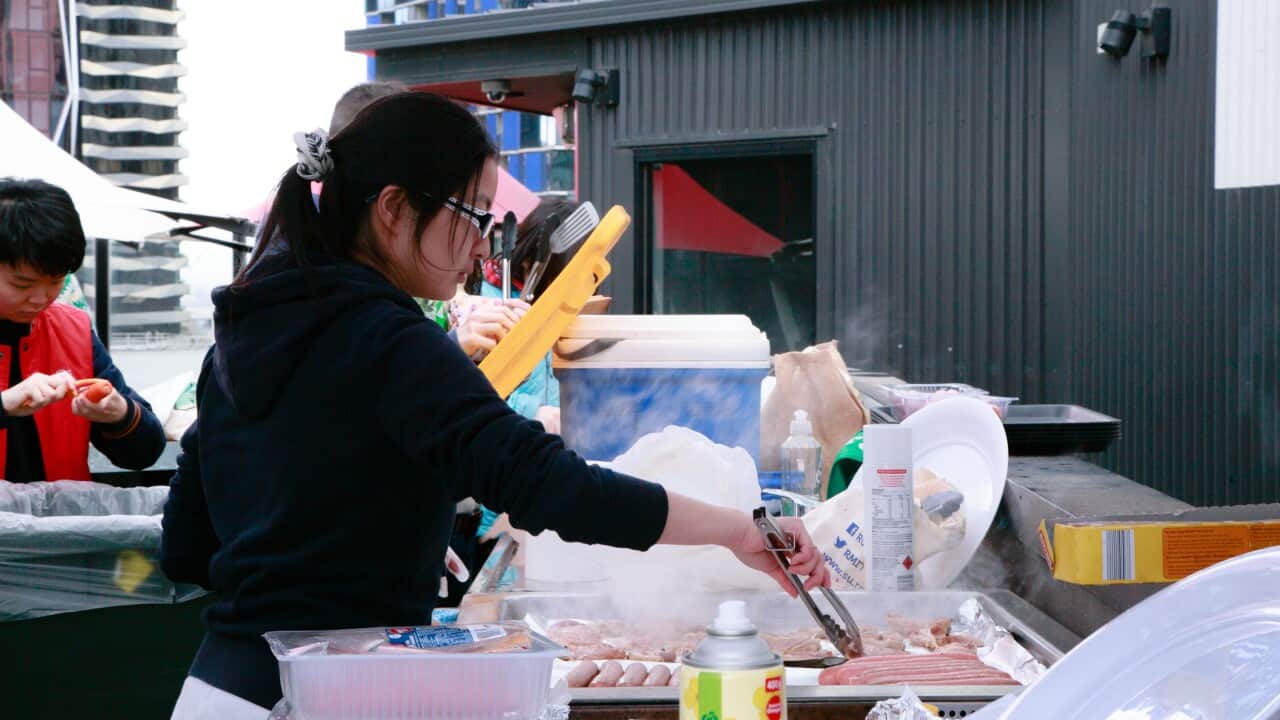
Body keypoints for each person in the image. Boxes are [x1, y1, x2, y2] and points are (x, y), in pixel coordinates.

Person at [159, 92, 828, 718]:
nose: (484, 244)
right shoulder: (390, 340)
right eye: (473, 213)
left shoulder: (242, 336)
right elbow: (548, 485)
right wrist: (741, 530)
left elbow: (188, 545)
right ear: (393, 209)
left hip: (218, 690)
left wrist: (382, 528)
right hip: (333, 693)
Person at [0, 178, 166, 481]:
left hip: (57, 527)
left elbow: (145, 453)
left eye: (55, 281)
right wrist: (4, 404)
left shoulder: (73, 330)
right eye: (21, 284)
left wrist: (120, 414)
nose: (40, 298)